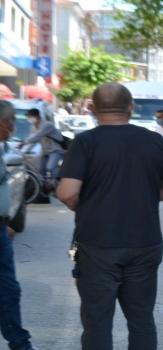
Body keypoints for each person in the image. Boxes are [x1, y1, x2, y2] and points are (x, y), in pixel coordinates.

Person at [57, 83, 163, 349]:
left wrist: (87, 203)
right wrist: (142, 196)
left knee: (97, 322)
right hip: (145, 242)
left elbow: (68, 193)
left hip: (96, 243)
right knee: (141, 320)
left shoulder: (85, 142)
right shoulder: (153, 139)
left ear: (92, 109)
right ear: (131, 108)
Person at [0, 101, 38, 350]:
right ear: (4, 122)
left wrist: (4, 224)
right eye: (12, 119)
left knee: (9, 290)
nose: (14, 125)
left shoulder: (3, 148)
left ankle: (19, 343)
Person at [17, 108, 65, 199]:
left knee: (50, 167)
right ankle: (44, 191)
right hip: (45, 150)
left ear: (38, 116)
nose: (29, 118)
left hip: (55, 150)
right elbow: (33, 140)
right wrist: (26, 150)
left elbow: (38, 135)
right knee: (40, 170)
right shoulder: (33, 128)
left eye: (31, 116)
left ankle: (59, 186)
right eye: (28, 117)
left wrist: (24, 143)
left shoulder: (47, 125)